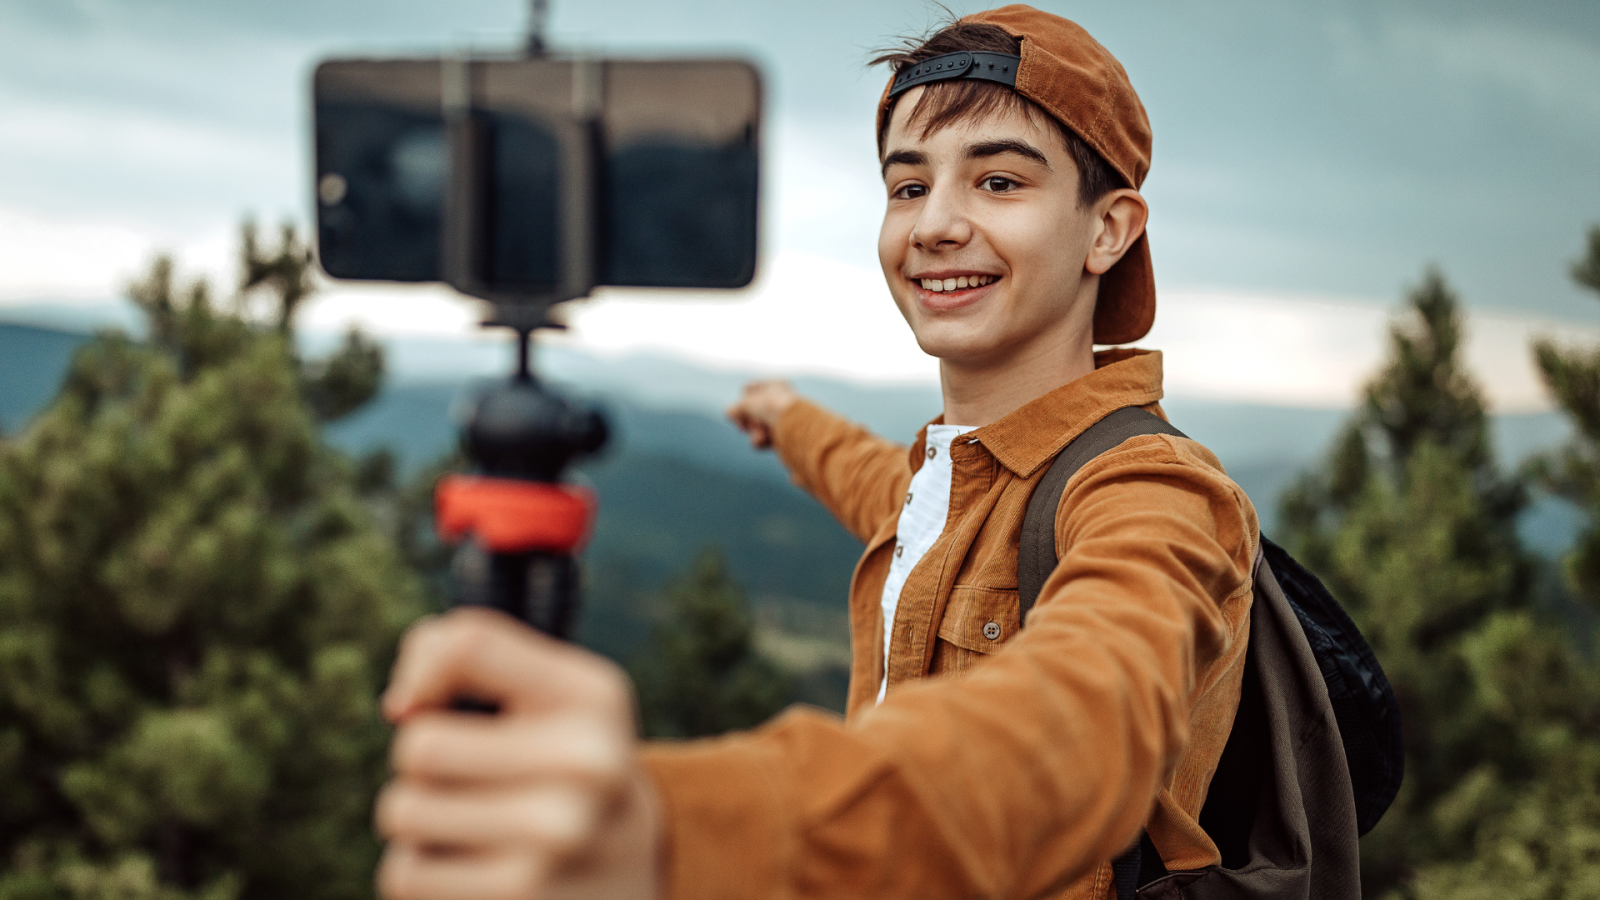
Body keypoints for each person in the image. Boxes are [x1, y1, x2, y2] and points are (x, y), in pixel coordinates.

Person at [373, 7, 1258, 899]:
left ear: (1109, 230)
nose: (934, 225)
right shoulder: (956, 481)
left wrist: (676, 833)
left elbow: (1081, 728)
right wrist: (789, 420)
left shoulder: (1155, 492)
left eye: (998, 182)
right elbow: (883, 486)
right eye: (907, 187)